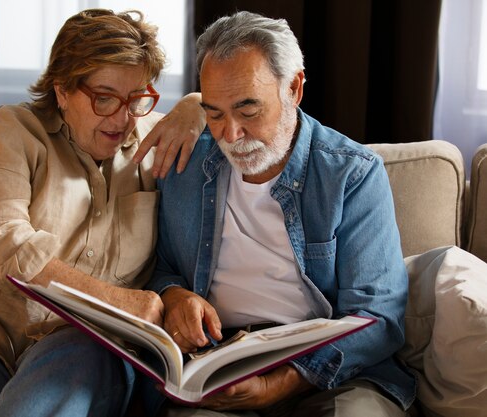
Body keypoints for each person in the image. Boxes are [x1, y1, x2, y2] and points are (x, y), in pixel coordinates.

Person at [0, 9, 205, 417]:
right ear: (62, 90)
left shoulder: (151, 144)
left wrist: (197, 104)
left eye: (137, 98)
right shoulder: (13, 132)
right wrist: (117, 301)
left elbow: (223, 116)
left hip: (69, 346)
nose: (123, 118)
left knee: (78, 364)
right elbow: (6, 245)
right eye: (104, 98)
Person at [142, 11, 416, 417]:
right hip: (220, 362)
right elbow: (162, 266)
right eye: (214, 113)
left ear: (295, 87)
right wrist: (175, 294)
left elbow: (377, 317)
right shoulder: (184, 163)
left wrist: (283, 382)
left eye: (248, 110)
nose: (230, 135)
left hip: (334, 369)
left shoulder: (351, 174)